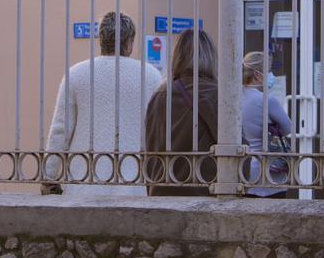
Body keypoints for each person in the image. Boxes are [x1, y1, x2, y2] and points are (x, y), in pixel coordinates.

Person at [43, 12, 164, 196]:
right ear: (130, 43)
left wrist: (48, 177)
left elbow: (60, 130)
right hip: (133, 186)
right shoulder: (151, 75)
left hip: (83, 184)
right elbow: (158, 132)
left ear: (100, 39)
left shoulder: (76, 74)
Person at [143, 29, 219, 196]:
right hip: (205, 195)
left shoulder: (160, 94)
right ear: (212, 57)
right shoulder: (218, 95)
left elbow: (150, 147)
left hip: (162, 194)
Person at [240, 51, 293, 197]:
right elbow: (288, 128)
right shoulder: (266, 100)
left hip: (242, 172)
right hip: (269, 175)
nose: (271, 76)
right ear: (257, 75)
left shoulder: (234, 97)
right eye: (268, 71)